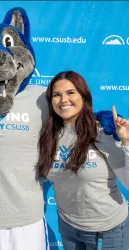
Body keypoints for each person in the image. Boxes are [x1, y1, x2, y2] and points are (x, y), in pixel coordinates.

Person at [37, 70, 129, 250]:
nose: (63, 100)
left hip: (107, 231)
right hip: (68, 226)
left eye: (71, 92)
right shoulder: (48, 136)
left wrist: (126, 142)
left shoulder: (103, 131)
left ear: (83, 96)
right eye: (57, 95)